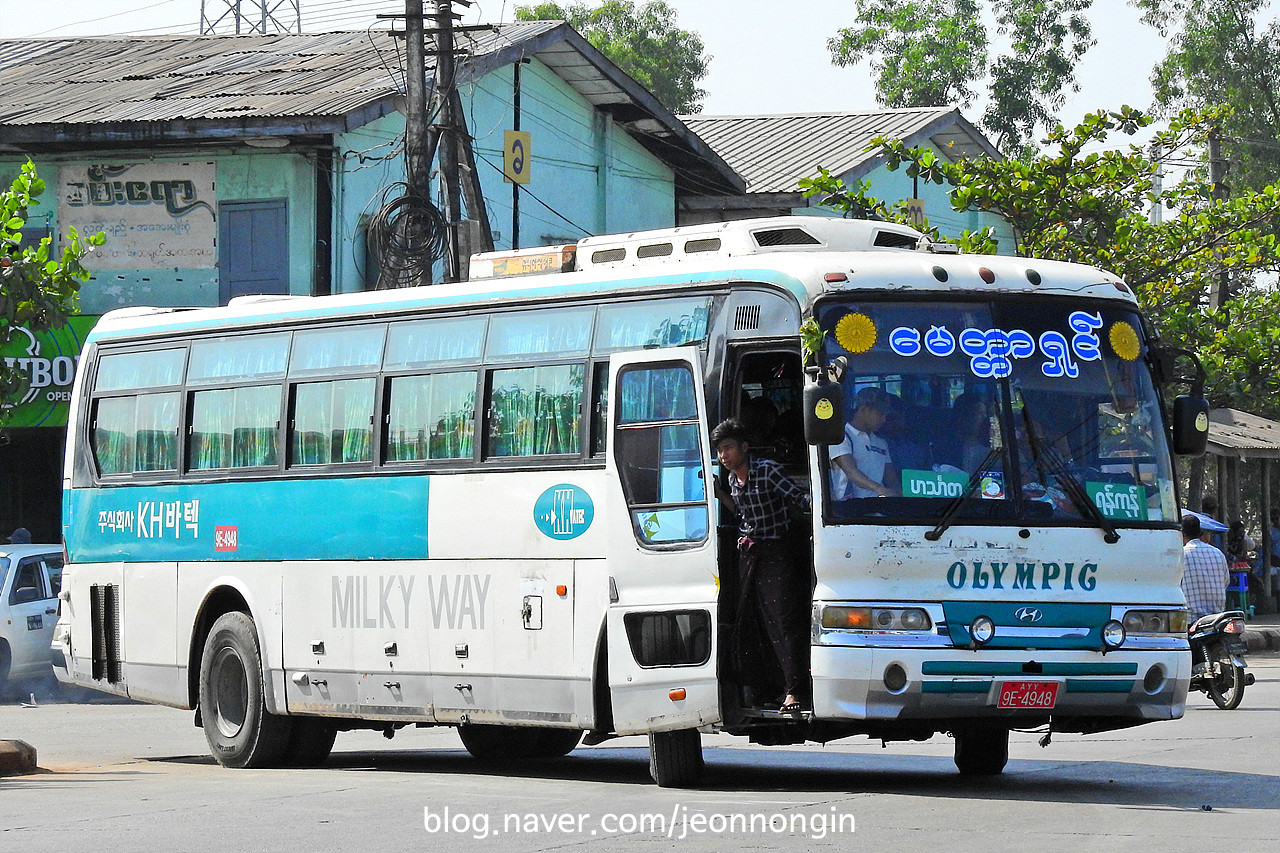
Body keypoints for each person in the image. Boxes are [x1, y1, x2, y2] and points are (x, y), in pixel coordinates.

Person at [712, 418, 811, 714]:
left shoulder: (768, 471)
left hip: (775, 553)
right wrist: (719, 495)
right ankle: (763, 688)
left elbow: (799, 498)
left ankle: (794, 690)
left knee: (782, 620)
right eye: (719, 451)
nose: (724, 456)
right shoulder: (731, 480)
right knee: (752, 621)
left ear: (744, 447)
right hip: (749, 555)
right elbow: (742, 513)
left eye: (728, 448)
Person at [829, 387, 896, 500]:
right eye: (880, 414)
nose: (884, 420)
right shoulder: (841, 437)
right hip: (850, 510)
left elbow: (891, 479)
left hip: (880, 510)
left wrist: (901, 497)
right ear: (863, 410)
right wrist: (879, 489)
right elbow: (851, 472)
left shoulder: (881, 443)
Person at [1181, 513, 1229, 622]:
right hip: (1217, 618)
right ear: (1200, 532)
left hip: (1191, 619)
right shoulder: (1218, 553)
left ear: (1182, 534)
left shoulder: (1181, 555)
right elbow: (1226, 582)